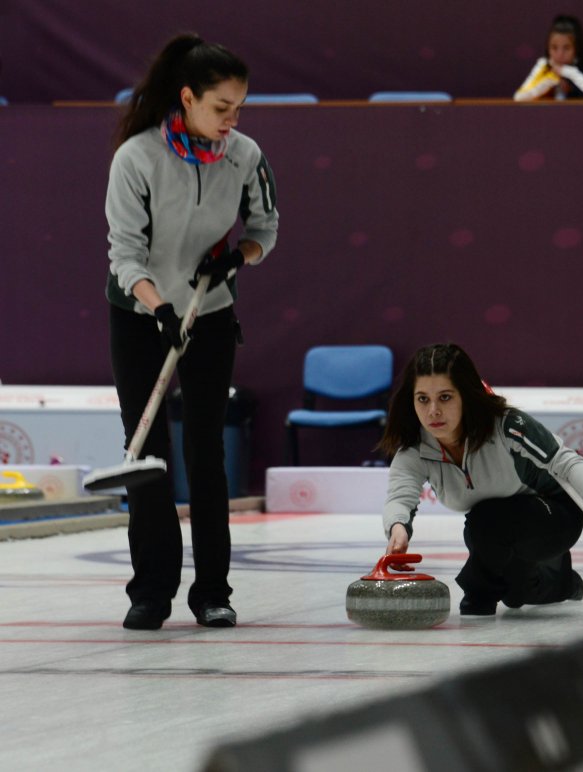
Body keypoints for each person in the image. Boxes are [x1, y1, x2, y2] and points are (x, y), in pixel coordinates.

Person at [105, 33, 278, 630]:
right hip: (140, 314)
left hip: (208, 311)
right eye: (221, 107)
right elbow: (125, 254)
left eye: (239, 107)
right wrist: (157, 309)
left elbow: (266, 225)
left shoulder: (245, 155)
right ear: (187, 98)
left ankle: (212, 592)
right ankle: (151, 590)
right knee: (146, 452)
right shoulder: (136, 158)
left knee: (205, 448)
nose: (233, 120)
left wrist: (239, 257)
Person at [377, 343, 583, 616]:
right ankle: (563, 582)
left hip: (554, 514)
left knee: (485, 522)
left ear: (466, 395)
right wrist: (398, 528)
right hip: (497, 527)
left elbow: (566, 461)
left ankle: (478, 597)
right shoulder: (414, 449)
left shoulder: (506, 426)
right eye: (423, 399)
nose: (433, 412)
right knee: (514, 593)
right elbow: (400, 497)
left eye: (445, 397)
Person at [514, 15, 583, 102]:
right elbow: (519, 97)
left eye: (567, 48)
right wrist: (550, 80)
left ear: (577, 48)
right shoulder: (544, 64)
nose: (559, 54)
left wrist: (570, 72)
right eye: (554, 47)